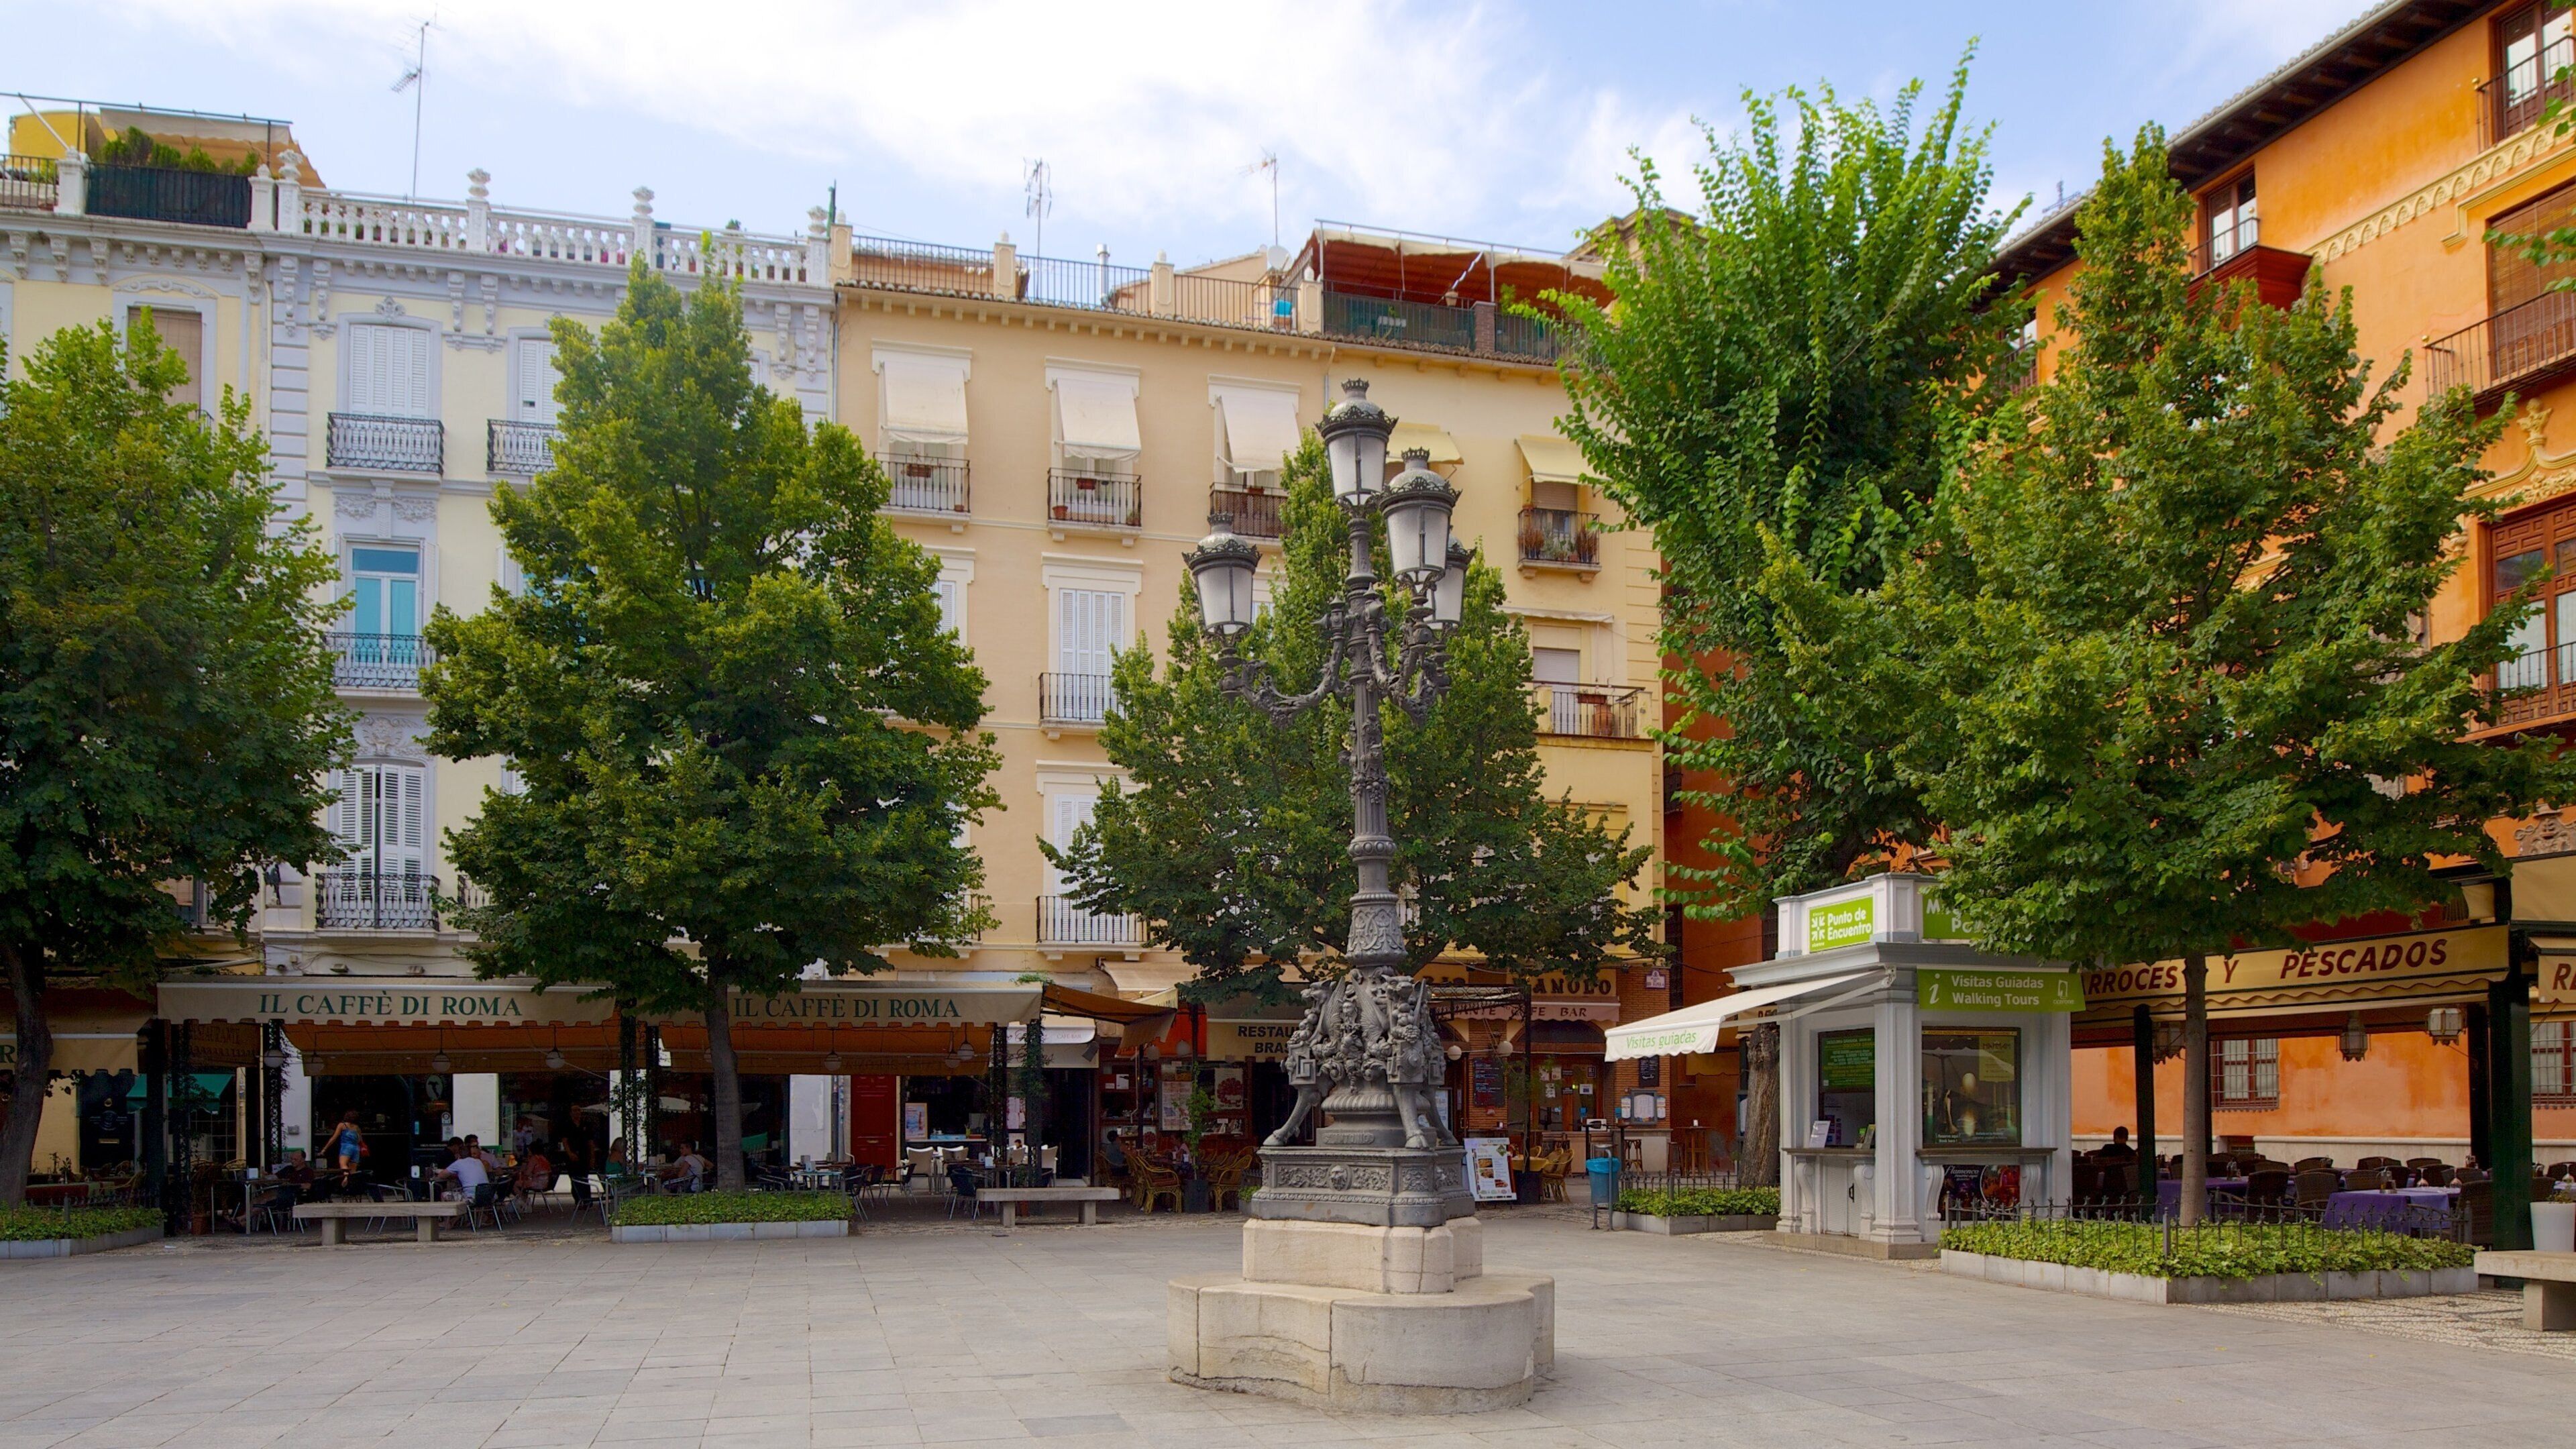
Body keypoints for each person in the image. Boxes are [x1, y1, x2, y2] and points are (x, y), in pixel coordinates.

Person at [433, 1137, 490, 1204]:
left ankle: (453, 1215)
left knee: (444, 1195)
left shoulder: (459, 1163)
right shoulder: (478, 1162)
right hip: (487, 1196)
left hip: (472, 1198)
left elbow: (441, 1175)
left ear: (459, 1155)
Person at [323, 1111, 366, 1176]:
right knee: (353, 1170)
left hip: (346, 1147)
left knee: (343, 1165)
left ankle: (346, 1178)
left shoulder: (342, 1125)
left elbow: (334, 1138)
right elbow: (360, 1140)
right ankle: (352, 1183)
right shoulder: (357, 1127)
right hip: (356, 1149)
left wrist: (325, 1149)